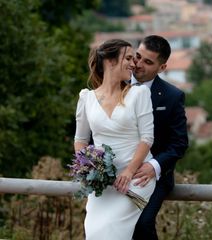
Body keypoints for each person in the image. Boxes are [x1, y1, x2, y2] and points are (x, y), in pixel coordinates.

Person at [73, 39, 156, 240]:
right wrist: (87, 167)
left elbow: (147, 138)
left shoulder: (139, 93)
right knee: (93, 232)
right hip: (101, 184)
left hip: (135, 179)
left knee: (111, 230)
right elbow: (81, 139)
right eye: (128, 58)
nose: (134, 64)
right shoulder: (87, 98)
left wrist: (129, 171)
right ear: (110, 61)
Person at [132, 35, 189, 240]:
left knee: (142, 223)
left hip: (154, 177)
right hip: (116, 171)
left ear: (162, 67)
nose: (138, 64)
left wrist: (153, 166)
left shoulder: (172, 96)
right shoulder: (115, 86)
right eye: (137, 56)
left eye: (148, 62)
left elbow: (179, 143)